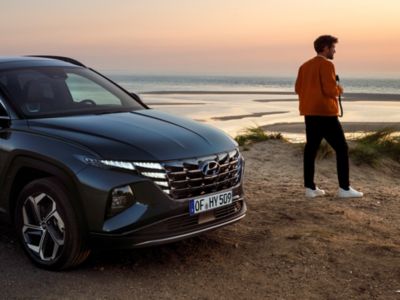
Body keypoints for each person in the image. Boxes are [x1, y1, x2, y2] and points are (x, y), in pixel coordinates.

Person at [295, 34, 363, 198]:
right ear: (325, 48)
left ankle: (310, 188)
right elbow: (330, 90)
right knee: (342, 148)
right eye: (333, 48)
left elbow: (298, 89)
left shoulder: (304, 66)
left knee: (311, 149)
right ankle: (344, 189)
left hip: (309, 113)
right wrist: (339, 89)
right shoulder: (327, 65)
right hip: (325, 113)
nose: (334, 51)